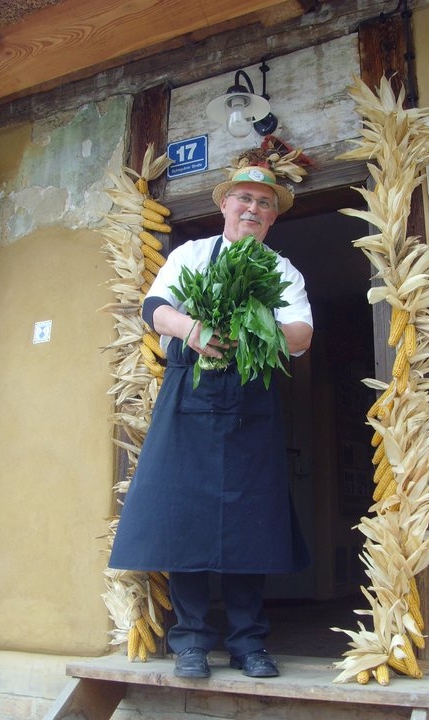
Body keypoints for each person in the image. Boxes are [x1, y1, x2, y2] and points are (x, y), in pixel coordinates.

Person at [108, 164, 314, 679]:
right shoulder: (190, 255)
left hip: (252, 402)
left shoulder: (283, 271)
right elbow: (154, 308)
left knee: (253, 521)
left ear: (272, 218)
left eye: (264, 203)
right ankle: (192, 642)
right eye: (243, 198)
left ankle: (249, 643)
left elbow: (301, 334)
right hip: (189, 393)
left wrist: (251, 330)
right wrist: (192, 328)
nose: (253, 209)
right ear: (224, 206)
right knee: (184, 517)